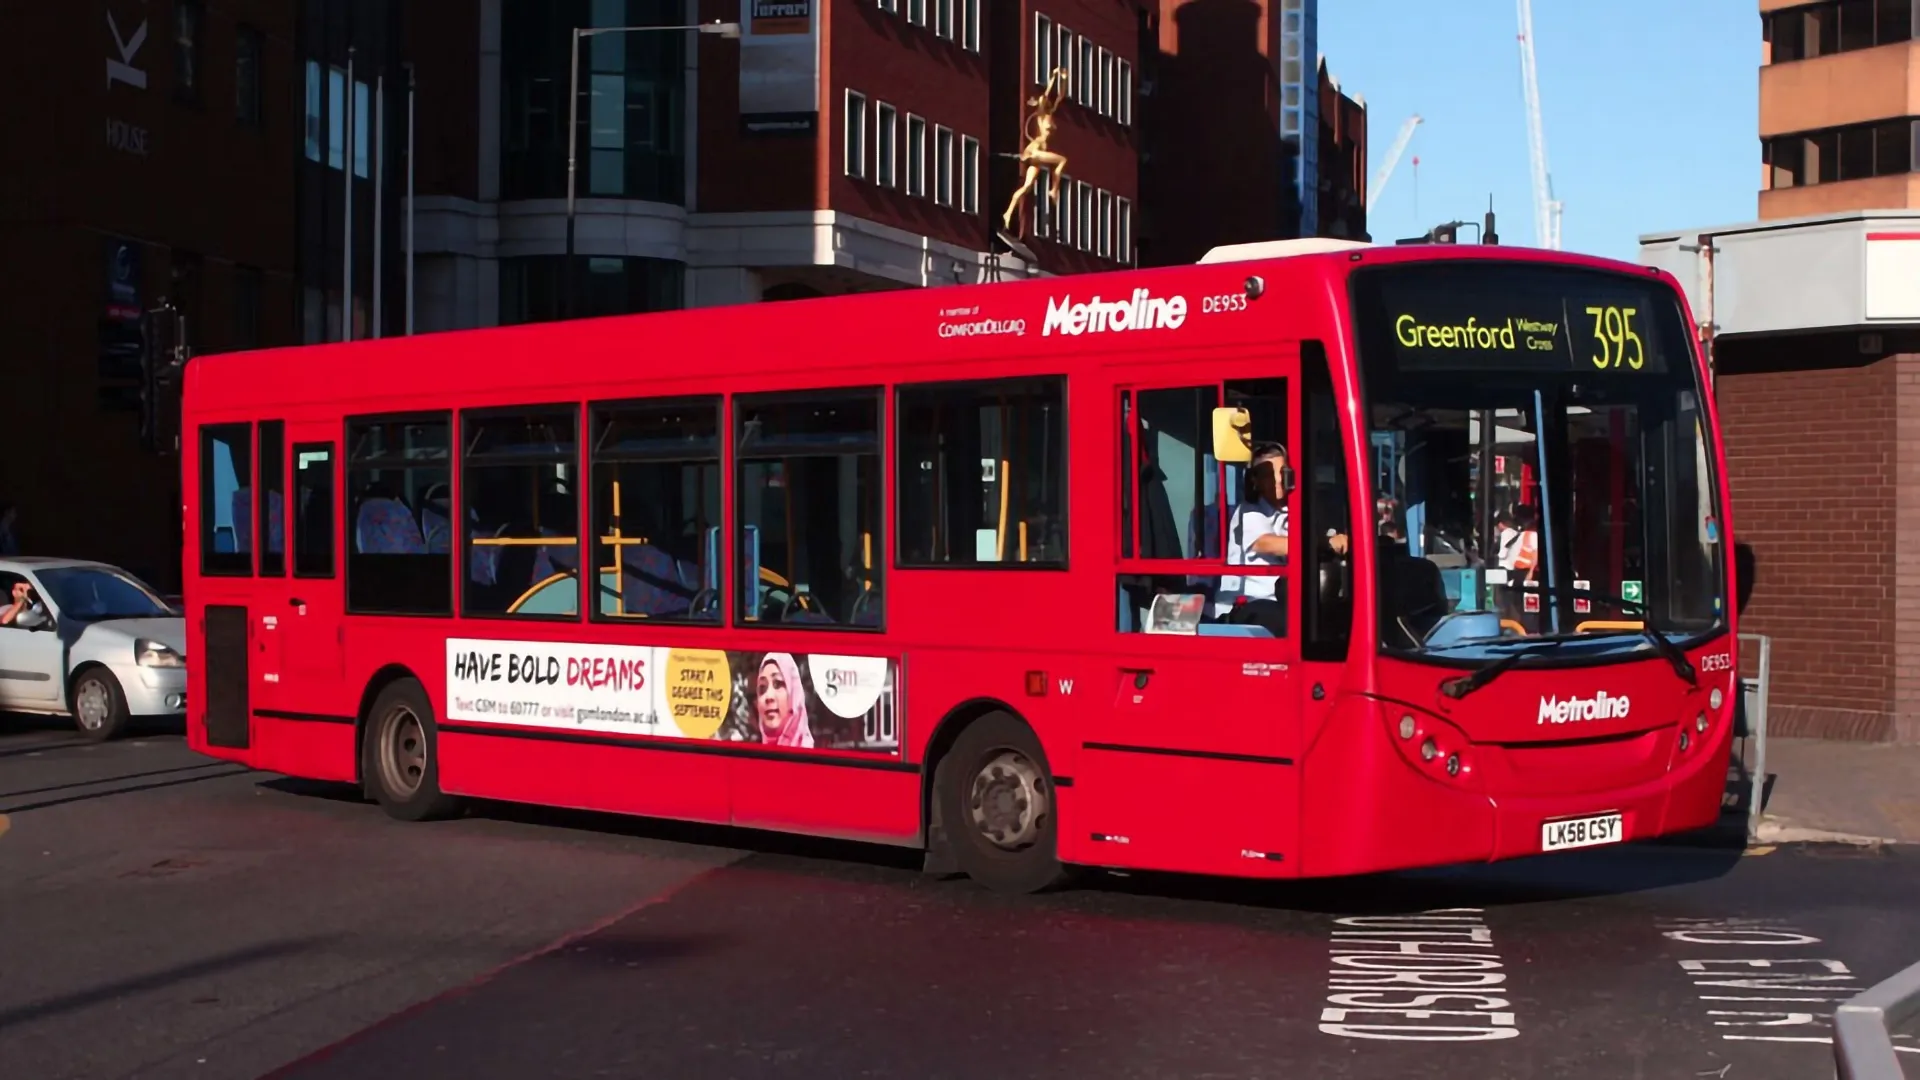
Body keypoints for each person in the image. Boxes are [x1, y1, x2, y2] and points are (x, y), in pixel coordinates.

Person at [1215, 442, 1349, 634]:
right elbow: (1267, 543)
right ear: (1256, 480)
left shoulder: (1293, 511)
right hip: (1249, 602)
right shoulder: (1248, 510)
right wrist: (1326, 543)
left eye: (1282, 472)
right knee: (1298, 626)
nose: (1278, 479)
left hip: (1286, 599)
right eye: (1269, 474)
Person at [754, 652, 814, 748]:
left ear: (794, 695)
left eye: (778, 684)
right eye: (762, 688)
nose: (769, 697)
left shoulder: (812, 760)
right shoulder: (754, 759)